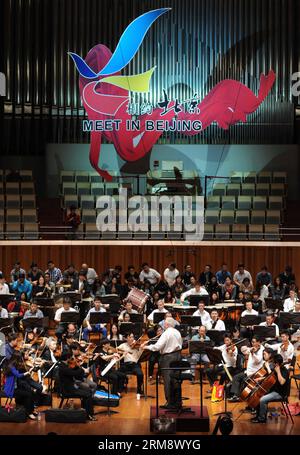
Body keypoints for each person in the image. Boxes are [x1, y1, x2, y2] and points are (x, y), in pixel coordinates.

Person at [141, 317, 182, 409]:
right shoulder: (177, 332)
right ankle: (177, 402)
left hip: (168, 358)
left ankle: (170, 403)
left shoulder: (166, 333)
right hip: (178, 356)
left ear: (167, 324)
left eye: (164, 324)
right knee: (176, 380)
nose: (163, 325)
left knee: (167, 380)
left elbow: (157, 347)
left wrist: (146, 347)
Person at [251, 354, 289, 423]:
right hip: (274, 390)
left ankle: (262, 419)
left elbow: (282, 382)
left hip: (280, 393)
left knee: (262, 399)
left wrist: (278, 372)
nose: (272, 363)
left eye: (273, 362)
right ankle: (258, 415)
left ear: (276, 363)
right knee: (258, 394)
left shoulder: (284, 371)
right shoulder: (276, 368)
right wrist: (260, 379)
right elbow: (270, 377)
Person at [58, 352, 96, 420]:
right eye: (71, 358)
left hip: (71, 387)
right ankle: (89, 414)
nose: (72, 359)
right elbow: (75, 373)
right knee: (88, 394)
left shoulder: (65, 365)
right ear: (67, 358)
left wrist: (77, 365)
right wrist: (79, 367)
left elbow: (78, 374)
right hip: (68, 390)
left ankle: (85, 412)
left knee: (88, 391)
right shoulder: (63, 368)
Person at [228, 336, 264, 402]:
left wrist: (253, 353)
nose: (252, 343)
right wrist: (245, 349)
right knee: (236, 377)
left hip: (255, 373)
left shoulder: (262, 350)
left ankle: (241, 396)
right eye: (251, 342)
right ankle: (235, 395)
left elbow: (258, 360)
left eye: (253, 342)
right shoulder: (252, 348)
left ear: (259, 342)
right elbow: (244, 351)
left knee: (244, 380)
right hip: (248, 372)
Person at [3, 353, 37, 420]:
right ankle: (29, 412)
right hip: (10, 390)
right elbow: (18, 375)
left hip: (14, 388)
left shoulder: (12, 366)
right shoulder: (11, 367)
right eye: (19, 360)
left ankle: (31, 410)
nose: (20, 362)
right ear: (16, 360)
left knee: (31, 392)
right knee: (28, 394)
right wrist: (27, 372)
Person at [119, 333, 144, 399]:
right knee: (118, 373)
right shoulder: (123, 345)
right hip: (125, 364)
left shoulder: (136, 346)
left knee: (140, 374)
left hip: (134, 364)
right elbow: (116, 350)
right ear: (126, 338)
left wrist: (141, 349)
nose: (132, 338)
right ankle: (119, 390)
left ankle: (139, 391)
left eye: (133, 337)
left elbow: (138, 356)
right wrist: (122, 352)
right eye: (130, 337)